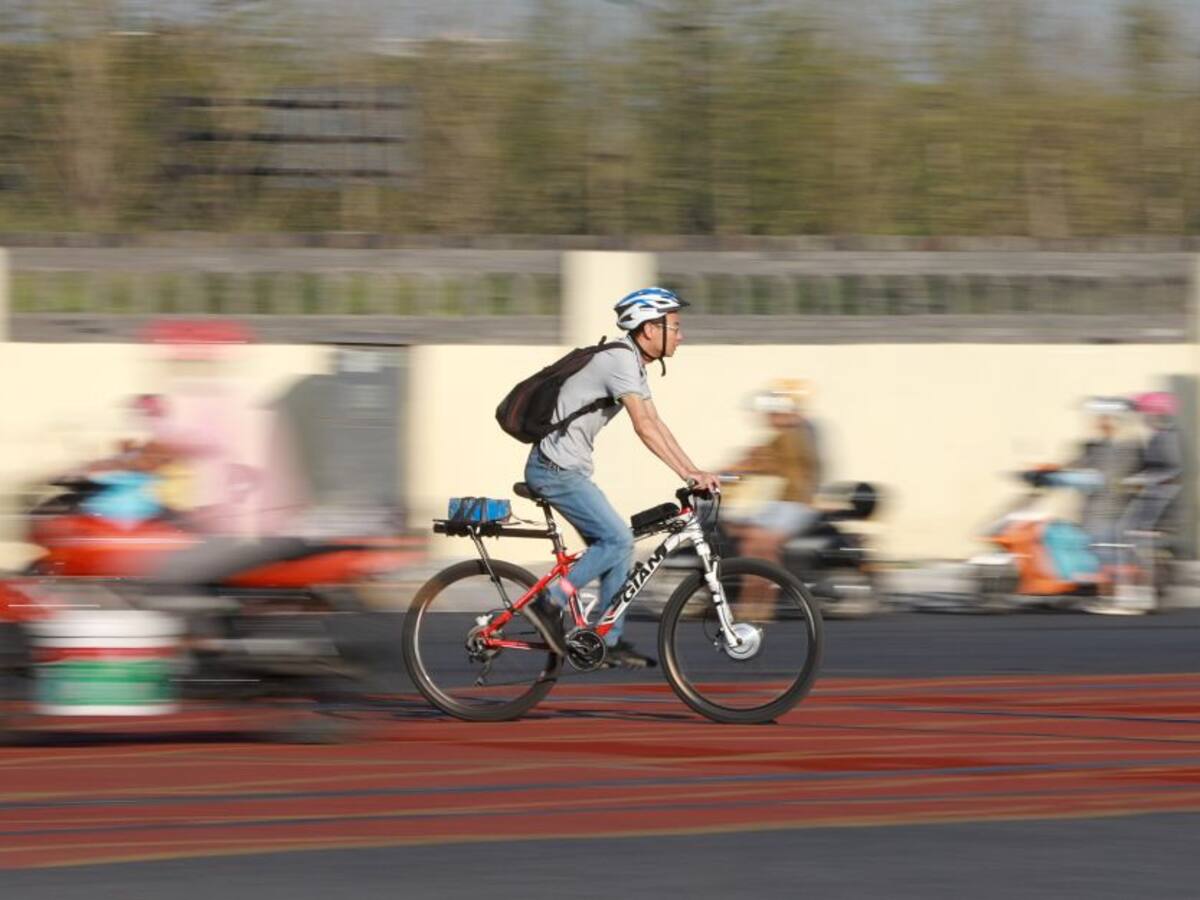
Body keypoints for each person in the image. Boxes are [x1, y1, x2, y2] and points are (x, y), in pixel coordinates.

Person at [524, 287, 721, 668]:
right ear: (649, 329)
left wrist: (693, 470)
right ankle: (549, 603)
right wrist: (687, 473)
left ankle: (607, 640)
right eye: (675, 327)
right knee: (617, 539)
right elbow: (643, 427)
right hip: (554, 470)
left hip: (568, 470)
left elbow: (656, 423)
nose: (681, 336)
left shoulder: (633, 362)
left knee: (620, 546)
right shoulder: (618, 360)